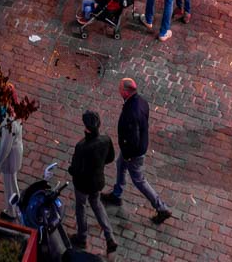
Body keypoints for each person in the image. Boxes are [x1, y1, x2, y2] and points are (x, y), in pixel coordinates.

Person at [102, 79, 170, 225]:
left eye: (120, 88)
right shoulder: (142, 102)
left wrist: (128, 156)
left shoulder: (131, 112)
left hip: (133, 153)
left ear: (125, 92)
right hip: (132, 149)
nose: (118, 90)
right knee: (120, 165)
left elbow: (133, 139)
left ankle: (161, 207)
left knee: (139, 180)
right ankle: (117, 193)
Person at [69, 109, 119, 255]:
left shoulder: (82, 147)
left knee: (81, 207)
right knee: (97, 205)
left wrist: (71, 170)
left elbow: (76, 169)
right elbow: (110, 158)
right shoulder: (106, 140)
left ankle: (82, 236)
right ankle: (109, 236)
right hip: (97, 181)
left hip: (83, 184)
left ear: (87, 128)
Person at [0, 107, 24, 213]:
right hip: (14, 154)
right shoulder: (14, 114)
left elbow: (4, 148)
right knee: (11, 182)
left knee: (10, 185)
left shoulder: (9, 123)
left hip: (11, 157)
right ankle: (15, 207)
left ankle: (12, 210)